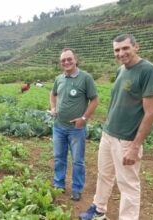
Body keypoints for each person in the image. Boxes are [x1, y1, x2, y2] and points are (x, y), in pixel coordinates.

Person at [80, 34, 153, 220]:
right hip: (108, 134)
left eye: (125, 48)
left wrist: (135, 146)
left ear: (136, 47)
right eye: (117, 50)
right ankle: (99, 210)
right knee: (104, 175)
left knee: (128, 184)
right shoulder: (121, 70)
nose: (121, 53)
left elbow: (150, 113)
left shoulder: (147, 70)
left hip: (127, 139)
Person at [50, 48, 99, 201]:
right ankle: (59, 184)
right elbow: (53, 94)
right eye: (63, 60)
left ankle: (77, 188)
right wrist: (53, 107)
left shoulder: (85, 78)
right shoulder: (59, 79)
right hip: (58, 126)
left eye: (69, 59)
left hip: (76, 129)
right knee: (59, 157)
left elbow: (95, 100)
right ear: (60, 63)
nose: (66, 62)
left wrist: (83, 119)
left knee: (77, 160)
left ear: (75, 59)